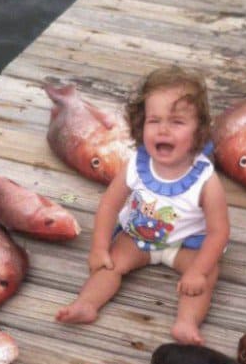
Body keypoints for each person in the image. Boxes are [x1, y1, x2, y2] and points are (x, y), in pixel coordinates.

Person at [55, 65, 230, 345]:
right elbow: (109, 205)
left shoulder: (206, 180)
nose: (163, 130)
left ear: (198, 132)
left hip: (186, 245)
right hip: (138, 237)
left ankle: (186, 322)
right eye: (154, 120)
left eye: (176, 122)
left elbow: (218, 232)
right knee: (109, 265)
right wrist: (99, 248)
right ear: (141, 124)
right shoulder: (136, 165)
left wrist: (197, 271)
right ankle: (86, 304)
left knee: (207, 275)